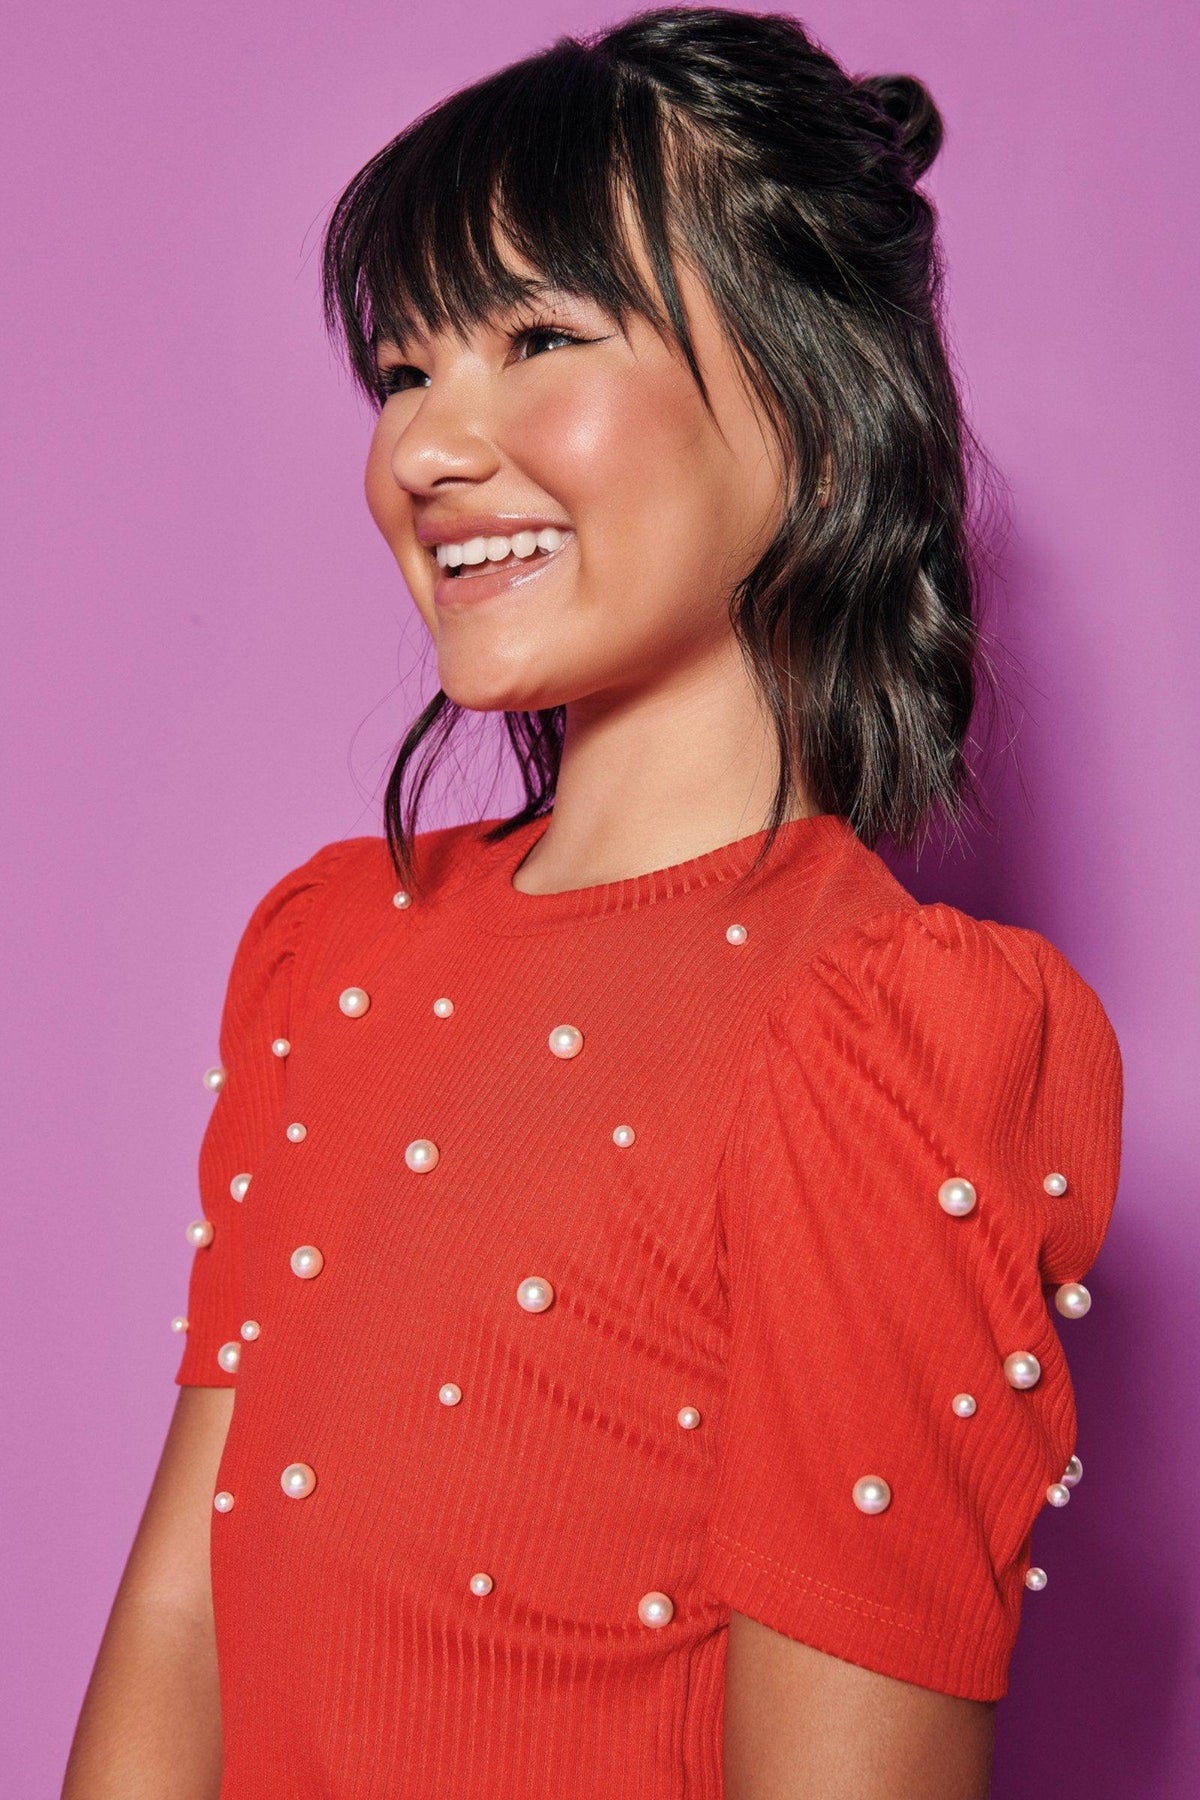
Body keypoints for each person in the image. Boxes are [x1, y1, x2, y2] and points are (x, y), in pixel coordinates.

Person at [62, 8, 1123, 1797]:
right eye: (403, 372)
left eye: (539, 337)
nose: (427, 447)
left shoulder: (887, 1034)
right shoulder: (327, 950)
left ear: (817, 396)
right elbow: (183, 1613)